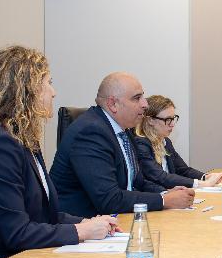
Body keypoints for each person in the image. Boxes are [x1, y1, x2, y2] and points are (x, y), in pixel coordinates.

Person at [0, 46, 117, 258]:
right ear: (27, 89)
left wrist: (87, 222)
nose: (53, 92)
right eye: (48, 82)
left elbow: (44, 215)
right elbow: (18, 233)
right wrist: (81, 231)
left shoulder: (24, 140)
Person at [50, 72, 195, 217]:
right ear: (113, 104)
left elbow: (137, 182)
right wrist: (164, 200)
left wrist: (165, 193)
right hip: (84, 223)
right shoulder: (91, 132)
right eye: (137, 98)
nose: (145, 104)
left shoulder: (123, 130)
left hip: (117, 218)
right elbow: (109, 199)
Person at [133, 95, 222, 188]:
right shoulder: (141, 144)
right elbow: (160, 177)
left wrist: (205, 177)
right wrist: (203, 184)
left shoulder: (166, 141)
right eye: (168, 119)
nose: (172, 124)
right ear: (150, 120)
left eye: (173, 118)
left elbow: (183, 170)